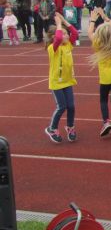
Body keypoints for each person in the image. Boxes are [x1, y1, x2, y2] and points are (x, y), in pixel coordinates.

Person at [87, 9, 111, 137]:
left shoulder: (98, 44)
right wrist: (105, 17)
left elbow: (89, 33)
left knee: (103, 100)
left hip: (105, 79)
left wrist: (93, 20)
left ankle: (106, 122)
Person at [45, 13, 79, 143]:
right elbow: (58, 38)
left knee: (71, 106)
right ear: (55, 37)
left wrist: (64, 21)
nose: (67, 36)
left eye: (66, 34)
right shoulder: (52, 48)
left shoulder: (68, 46)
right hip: (57, 83)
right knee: (62, 107)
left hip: (67, 81)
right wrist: (58, 24)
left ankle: (70, 127)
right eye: (64, 34)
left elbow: (75, 33)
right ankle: (52, 128)